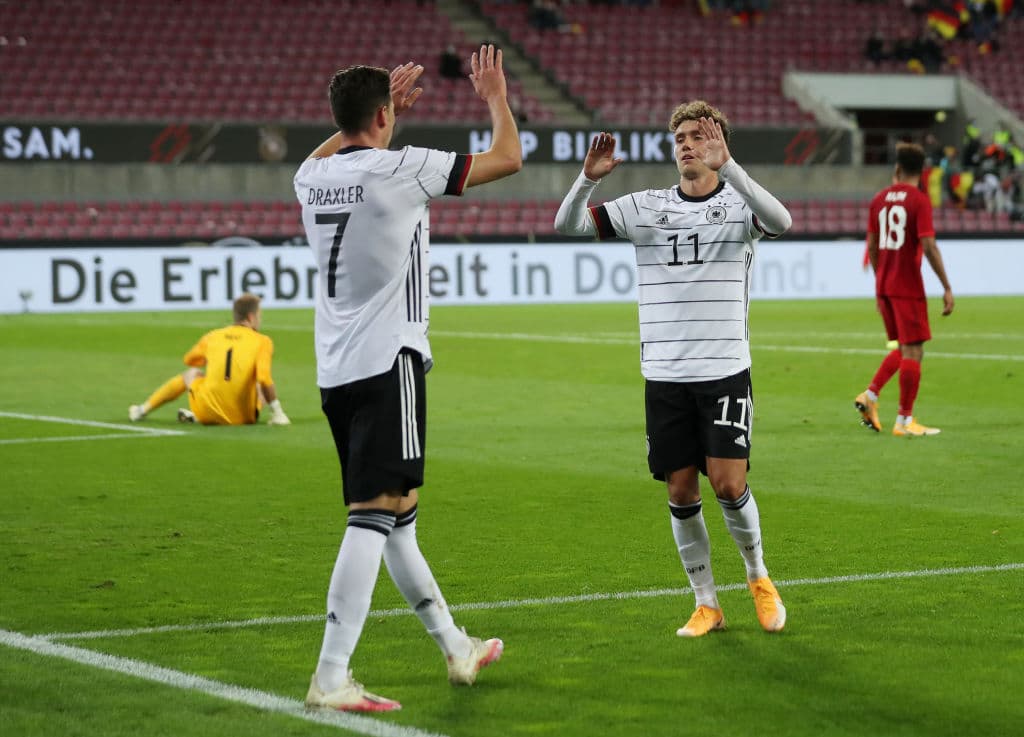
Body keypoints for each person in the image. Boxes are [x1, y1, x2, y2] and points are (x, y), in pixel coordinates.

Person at [293, 46, 522, 712]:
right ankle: (332, 674)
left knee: (399, 522)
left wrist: (365, 113)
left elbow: (323, 154)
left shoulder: (312, 179)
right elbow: (507, 158)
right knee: (372, 515)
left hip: (336, 370)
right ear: (387, 114)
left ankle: (456, 644)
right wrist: (495, 97)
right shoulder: (402, 167)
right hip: (390, 359)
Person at [553, 100, 792, 638]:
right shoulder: (645, 207)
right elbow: (566, 226)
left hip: (725, 369)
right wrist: (585, 182)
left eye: (697, 136)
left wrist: (729, 167)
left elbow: (783, 221)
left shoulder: (739, 207)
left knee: (730, 485)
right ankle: (706, 603)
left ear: (718, 144)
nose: (686, 144)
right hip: (664, 375)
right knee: (681, 491)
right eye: (680, 137)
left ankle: (758, 577)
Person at [854, 142, 954, 437]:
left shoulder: (879, 199)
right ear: (922, 171)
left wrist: (879, 281)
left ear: (897, 168)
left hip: (884, 284)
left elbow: (872, 246)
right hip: (907, 285)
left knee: (906, 348)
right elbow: (929, 245)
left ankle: (870, 396)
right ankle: (904, 420)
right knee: (914, 350)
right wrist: (947, 286)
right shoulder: (919, 200)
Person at [128, 293, 290, 426]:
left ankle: (141, 410)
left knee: (192, 374)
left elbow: (189, 360)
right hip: (244, 418)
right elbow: (264, 378)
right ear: (250, 316)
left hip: (207, 412)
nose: (260, 320)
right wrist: (278, 411)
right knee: (255, 381)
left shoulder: (212, 337)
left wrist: (210, 359)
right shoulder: (262, 341)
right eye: (259, 315)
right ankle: (277, 415)